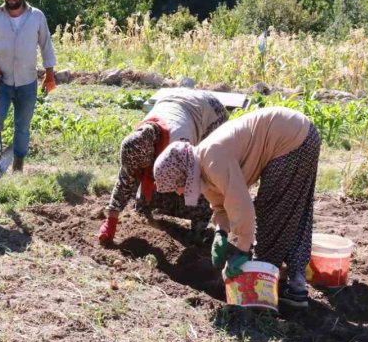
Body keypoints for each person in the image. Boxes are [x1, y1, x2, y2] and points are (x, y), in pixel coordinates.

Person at [153, 106, 321, 309]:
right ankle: (296, 285)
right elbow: (221, 205)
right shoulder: (202, 168)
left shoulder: (212, 159)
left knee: (271, 213)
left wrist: (242, 251)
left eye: (177, 186)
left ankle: (263, 289)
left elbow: (242, 207)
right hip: (299, 134)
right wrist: (221, 233)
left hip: (291, 138)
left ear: (183, 174)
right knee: (293, 212)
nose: (179, 193)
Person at [97, 88, 228, 245]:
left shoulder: (179, 144)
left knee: (205, 178)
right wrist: (111, 220)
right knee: (147, 195)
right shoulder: (138, 140)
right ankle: (148, 206)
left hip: (211, 112)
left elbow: (195, 179)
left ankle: (198, 230)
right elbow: (126, 177)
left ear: (154, 156)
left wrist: (184, 192)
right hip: (175, 101)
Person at [0, 0, 57, 173]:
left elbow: (46, 45)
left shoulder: (36, 16)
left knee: (22, 126)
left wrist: (50, 73)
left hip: (27, 82)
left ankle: (18, 165)